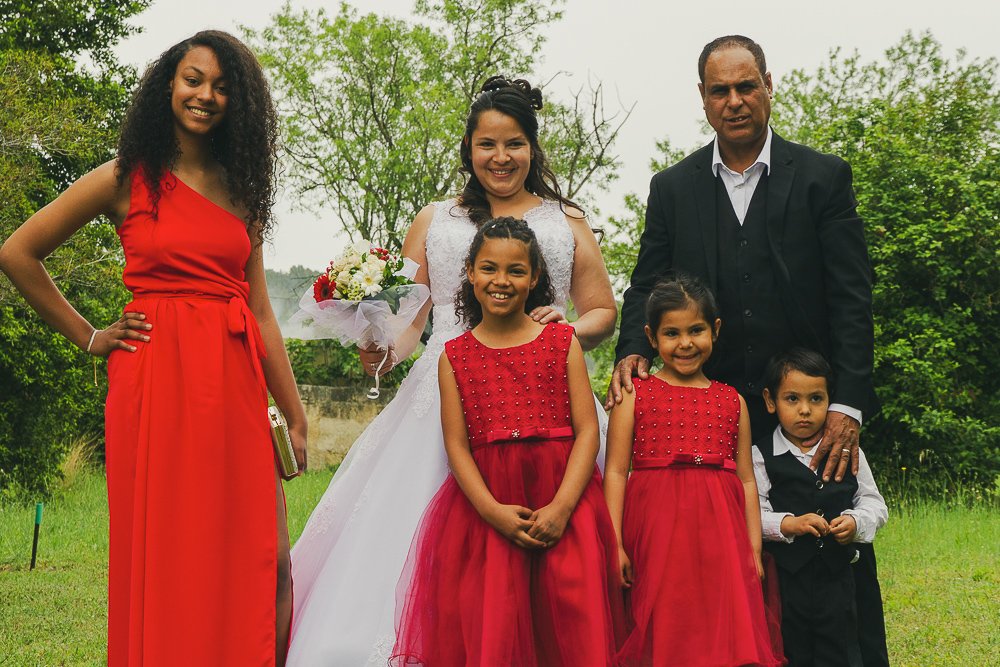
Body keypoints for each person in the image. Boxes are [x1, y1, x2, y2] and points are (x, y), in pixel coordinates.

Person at [0, 31, 307, 666]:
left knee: (262, 556)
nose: (206, 95)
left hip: (233, 381)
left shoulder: (241, 188)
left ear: (239, 103)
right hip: (156, 380)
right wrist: (89, 336)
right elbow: (18, 253)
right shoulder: (123, 178)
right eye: (194, 79)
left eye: (223, 87)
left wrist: (293, 412)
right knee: (170, 550)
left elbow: (261, 310)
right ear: (168, 84)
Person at [286, 76, 617, 665]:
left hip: (544, 392)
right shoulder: (435, 220)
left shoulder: (566, 220)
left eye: (514, 143)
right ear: (468, 148)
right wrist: (383, 349)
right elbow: (411, 320)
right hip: (446, 387)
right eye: (487, 144)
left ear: (533, 149)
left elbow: (601, 311)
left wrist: (563, 329)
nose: (501, 157)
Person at [607, 35, 887, 666]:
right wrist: (632, 351)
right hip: (712, 409)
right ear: (702, 99)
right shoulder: (672, 187)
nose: (734, 102)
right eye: (719, 90)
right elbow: (647, 283)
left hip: (804, 408)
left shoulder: (823, 177)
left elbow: (852, 298)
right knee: (726, 567)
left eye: (745, 86)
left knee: (829, 553)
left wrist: (847, 404)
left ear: (768, 86)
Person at [390, 217, 625, 665]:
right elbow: (457, 447)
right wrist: (491, 511)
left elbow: (588, 431)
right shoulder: (453, 358)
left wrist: (560, 508)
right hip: (489, 512)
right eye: (489, 269)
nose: (502, 281)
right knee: (497, 624)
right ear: (471, 274)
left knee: (572, 623)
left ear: (534, 278)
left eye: (516, 271)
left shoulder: (562, 342)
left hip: (564, 502)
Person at [604, 272, 782, 667]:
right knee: (665, 621)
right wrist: (613, 543)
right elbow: (615, 471)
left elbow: (746, 478)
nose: (685, 343)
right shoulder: (635, 394)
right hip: (655, 532)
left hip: (721, 535)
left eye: (696, 330)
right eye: (672, 333)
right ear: (651, 337)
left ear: (715, 330)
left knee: (716, 627)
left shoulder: (732, 400)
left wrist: (753, 547)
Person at [754, 348, 888, 666]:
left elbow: (874, 503)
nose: (805, 410)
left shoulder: (847, 449)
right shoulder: (760, 455)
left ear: (830, 400)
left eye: (816, 399)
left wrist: (856, 522)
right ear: (771, 401)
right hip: (787, 583)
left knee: (843, 649)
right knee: (793, 651)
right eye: (792, 399)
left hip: (841, 579)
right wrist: (787, 524)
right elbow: (752, 513)